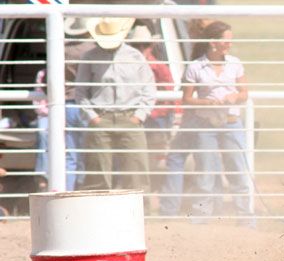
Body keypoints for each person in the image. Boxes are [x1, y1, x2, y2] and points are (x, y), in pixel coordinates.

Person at [160, 20, 253, 224]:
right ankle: (202, 220)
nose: (229, 44)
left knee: (237, 171)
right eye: (226, 40)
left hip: (230, 121)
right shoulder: (195, 67)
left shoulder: (235, 64)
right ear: (213, 42)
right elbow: (187, 98)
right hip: (206, 124)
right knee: (206, 173)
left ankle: (245, 220)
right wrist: (207, 102)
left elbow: (244, 93)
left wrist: (233, 98)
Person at [74, 17, 156, 191]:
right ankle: (98, 211)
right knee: (98, 171)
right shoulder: (89, 57)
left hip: (130, 116)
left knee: (136, 169)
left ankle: (140, 211)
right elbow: (80, 91)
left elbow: (149, 88)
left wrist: (139, 115)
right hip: (101, 117)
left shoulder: (135, 56)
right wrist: (93, 117)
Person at [32, 17, 93, 191]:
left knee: (70, 155)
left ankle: (69, 192)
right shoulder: (94, 50)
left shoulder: (60, 49)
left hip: (66, 103)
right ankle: (85, 190)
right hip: (88, 104)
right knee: (88, 153)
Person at [129, 24, 178, 194]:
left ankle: (147, 193)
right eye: (136, 45)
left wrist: (157, 111)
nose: (141, 49)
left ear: (151, 47)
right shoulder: (128, 66)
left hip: (155, 118)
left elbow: (170, 92)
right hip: (137, 117)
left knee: (151, 158)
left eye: (144, 45)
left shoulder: (159, 67)